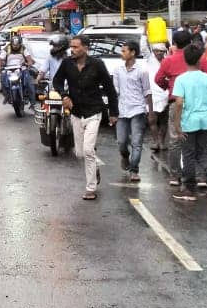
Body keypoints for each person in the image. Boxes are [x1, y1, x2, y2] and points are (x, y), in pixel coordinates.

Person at [155, 28, 207, 186]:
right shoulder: (201, 61)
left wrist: (168, 86)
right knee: (199, 147)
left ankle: (175, 176)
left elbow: (158, 79)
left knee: (176, 142)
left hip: (177, 104)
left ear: (175, 44)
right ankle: (201, 177)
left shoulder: (168, 61)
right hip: (201, 107)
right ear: (191, 43)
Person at [52, 35, 119, 201]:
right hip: (76, 111)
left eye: (76, 47)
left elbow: (110, 89)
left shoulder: (97, 65)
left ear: (85, 48)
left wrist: (113, 113)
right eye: (71, 47)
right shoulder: (67, 64)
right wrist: (64, 95)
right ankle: (95, 166)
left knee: (89, 150)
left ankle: (90, 188)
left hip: (94, 111)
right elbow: (57, 81)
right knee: (80, 153)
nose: (72, 50)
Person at [170, 44, 207, 203]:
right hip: (205, 121)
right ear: (200, 59)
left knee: (188, 155)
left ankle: (189, 189)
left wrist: (177, 125)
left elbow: (179, 103)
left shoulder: (181, 79)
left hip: (189, 122)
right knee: (202, 153)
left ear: (185, 60)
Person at [112, 40, 152, 183]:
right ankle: (125, 156)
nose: (122, 53)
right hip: (122, 110)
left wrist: (150, 112)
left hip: (138, 109)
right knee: (121, 141)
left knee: (137, 141)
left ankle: (134, 170)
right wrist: (112, 111)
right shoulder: (118, 70)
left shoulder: (142, 71)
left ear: (133, 52)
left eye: (124, 51)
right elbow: (115, 91)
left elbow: (147, 92)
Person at [145, 42, 169, 152]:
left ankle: (162, 141)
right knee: (152, 119)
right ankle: (155, 141)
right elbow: (143, 46)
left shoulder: (168, 61)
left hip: (166, 94)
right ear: (153, 52)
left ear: (164, 52)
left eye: (161, 51)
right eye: (157, 51)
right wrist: (145, 32)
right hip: (152, 94)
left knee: (164, 120)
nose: (159, 53)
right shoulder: (150, 60)